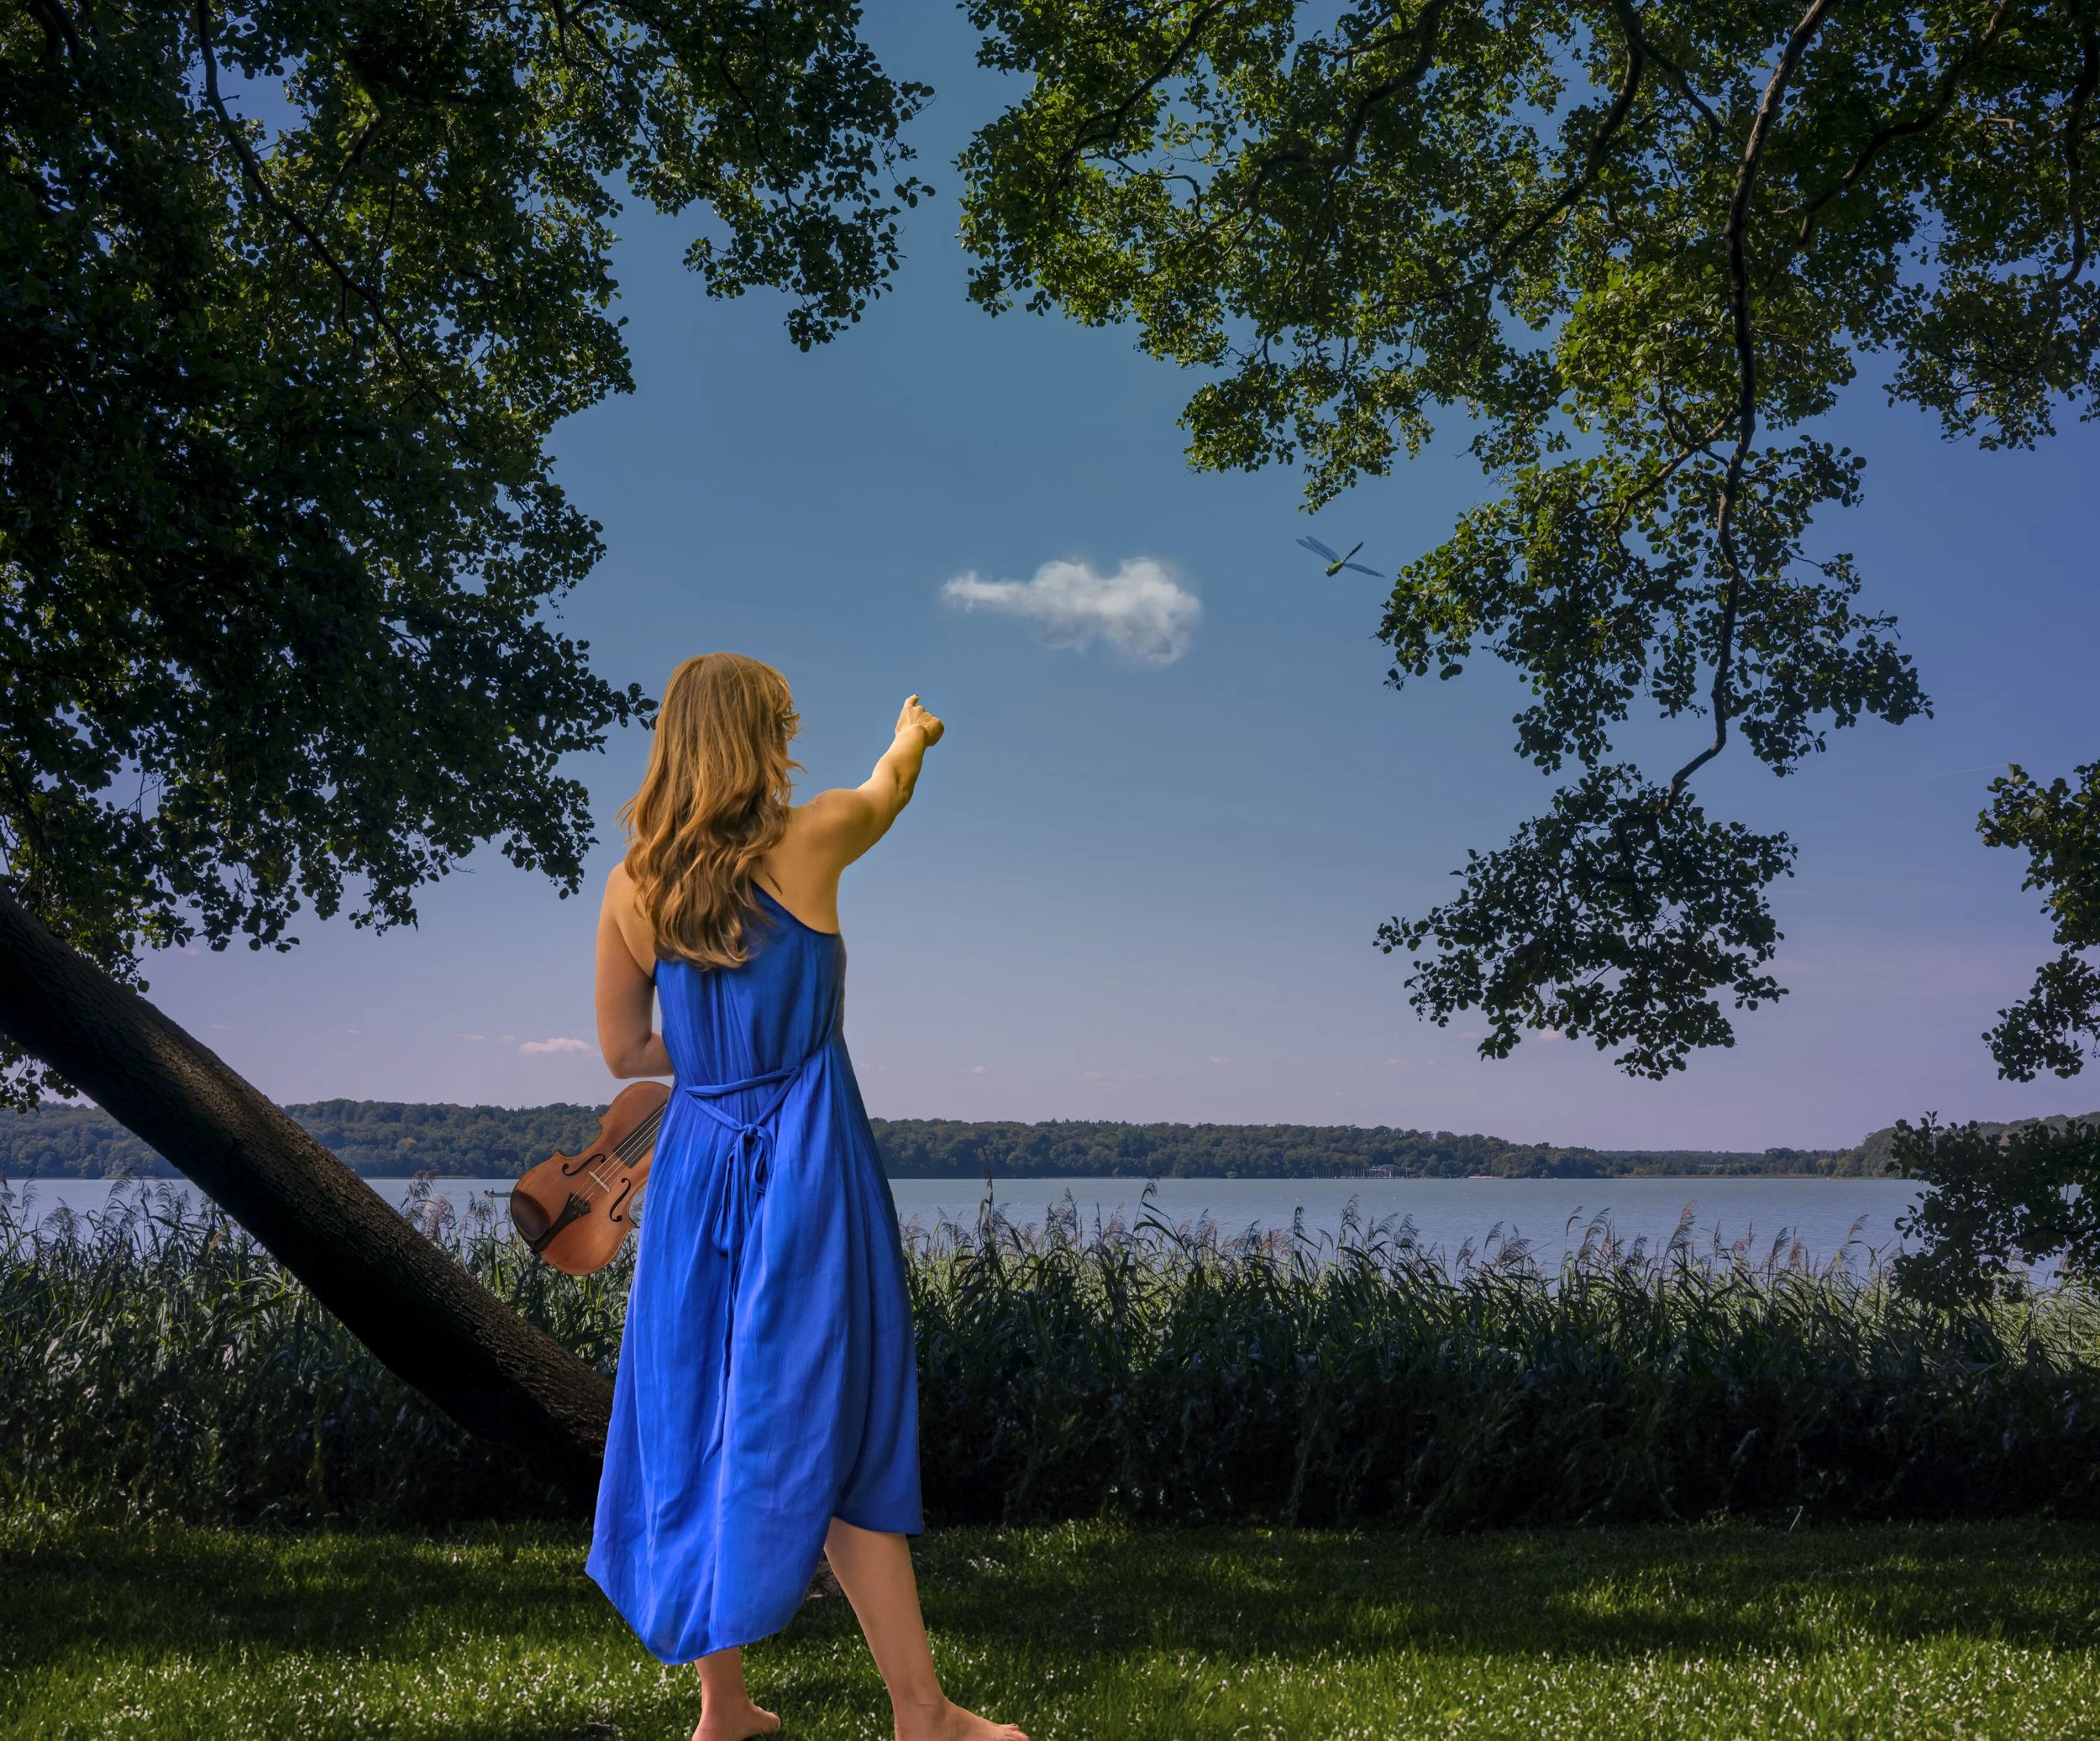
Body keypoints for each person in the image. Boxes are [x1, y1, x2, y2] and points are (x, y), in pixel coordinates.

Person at [589, 653, 1026, 1741]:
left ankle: (723, 1706)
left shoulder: (635, 882)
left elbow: (620, 1051)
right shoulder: (813, 836)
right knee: (842, 1419)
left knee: (698, 1416)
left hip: (695, 1172)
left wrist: (702, 1054)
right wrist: (911, 737)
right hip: (806, 1169)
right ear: (760, 738)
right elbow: (890, 790)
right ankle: (921, 1713)